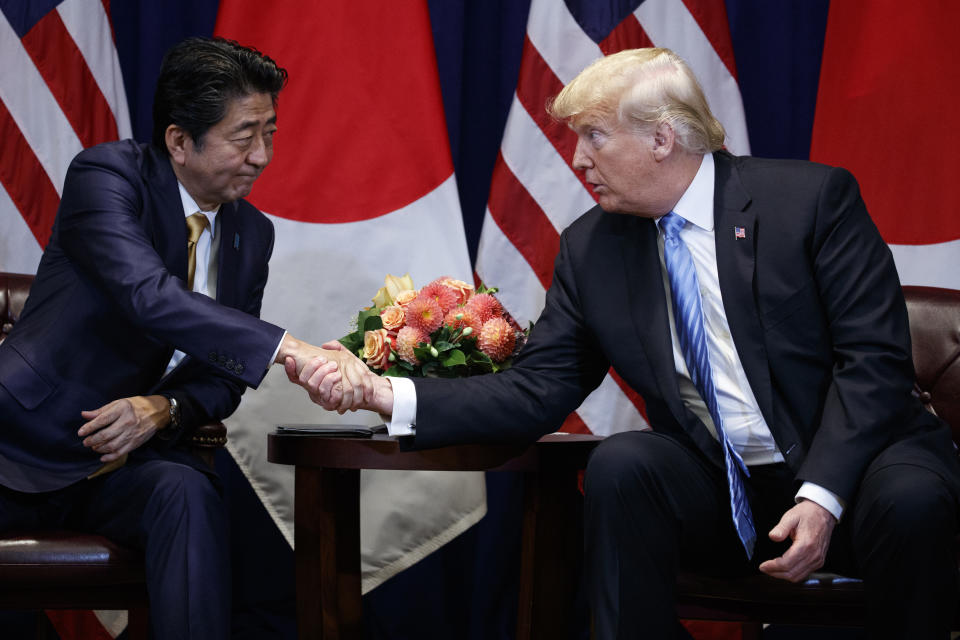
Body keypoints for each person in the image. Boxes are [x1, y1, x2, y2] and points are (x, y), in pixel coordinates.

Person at [289, 48, 960, 638]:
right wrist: (385, 392)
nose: (578, 159)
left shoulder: (809, 201)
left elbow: (872, 362)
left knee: (914, 501)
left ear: (662, 138)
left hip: (861, 470)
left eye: (594, 137)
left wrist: (820, 499)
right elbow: (538, 389)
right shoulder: (591, 247)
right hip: (726, 486)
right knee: (624, 465)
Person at [0, 37, 365, 639]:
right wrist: (287, 347)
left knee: (187, 492)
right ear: (179, 141)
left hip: (115, 465)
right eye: (244, 136)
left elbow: (220, 375)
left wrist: (163, 407)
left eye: (269, 133)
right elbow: (148, 296)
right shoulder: (106, 176)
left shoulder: (253, 234)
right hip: (18, 451)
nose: (263, 156)